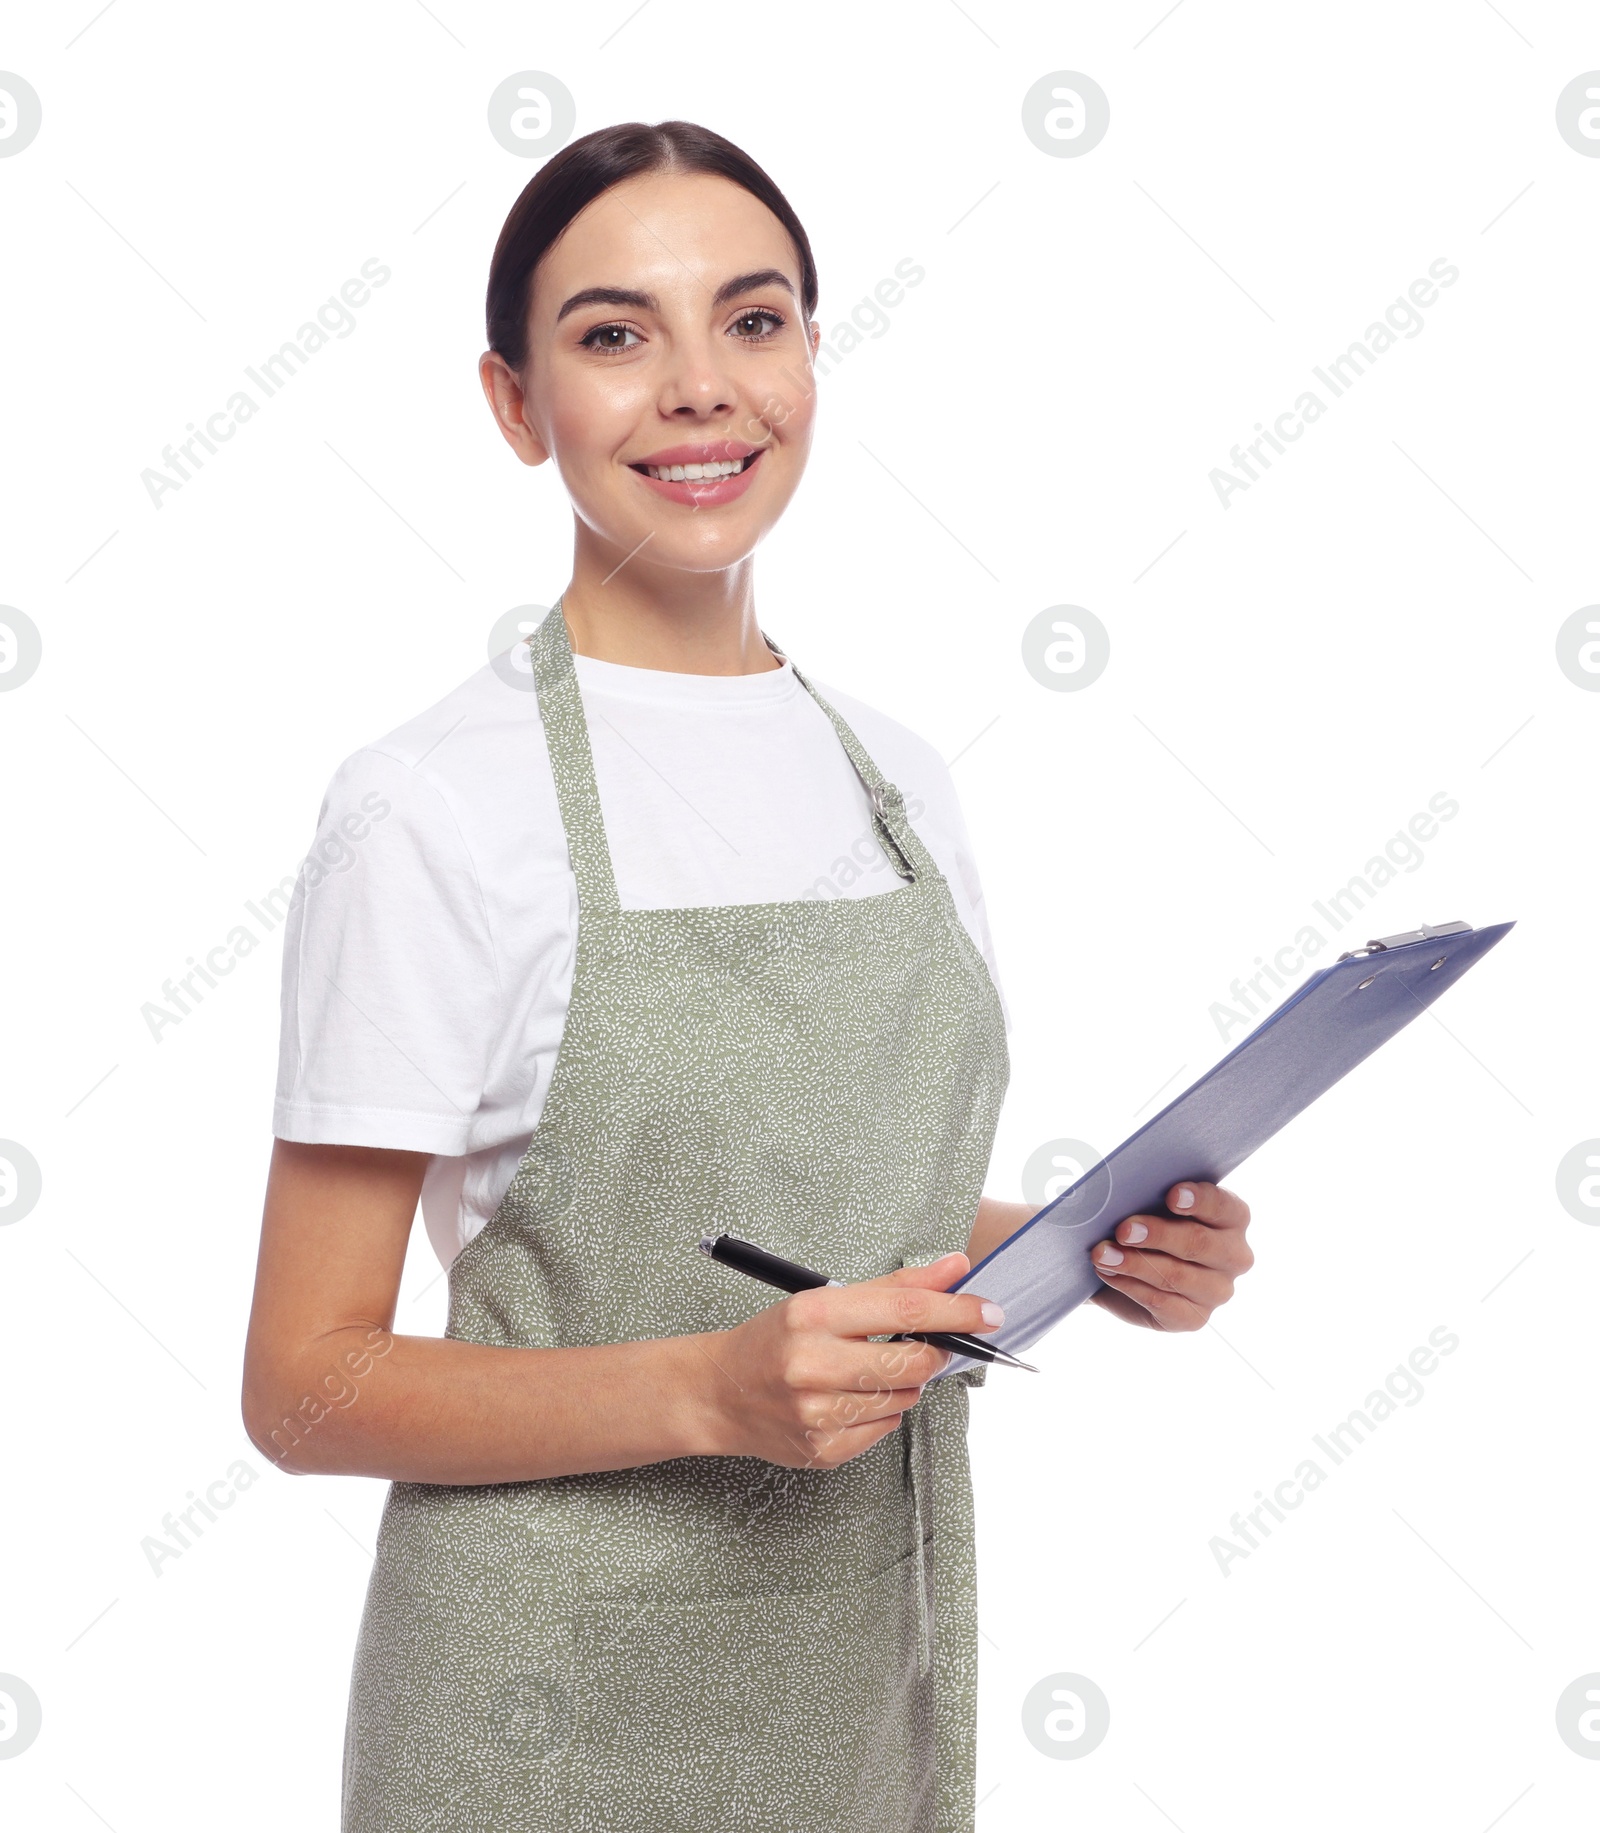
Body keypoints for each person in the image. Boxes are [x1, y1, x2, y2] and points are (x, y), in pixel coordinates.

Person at [242, 118, 1254, 1833]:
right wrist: (710, 1385)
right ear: (513, 403)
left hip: (868, 1668)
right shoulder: (430, 805)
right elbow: (306, 1380)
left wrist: (1089, 1244)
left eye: (757, 319)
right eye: (616, 335)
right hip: (540, 1714)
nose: (703, 386)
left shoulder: (898, 777)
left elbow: (839, 1208)